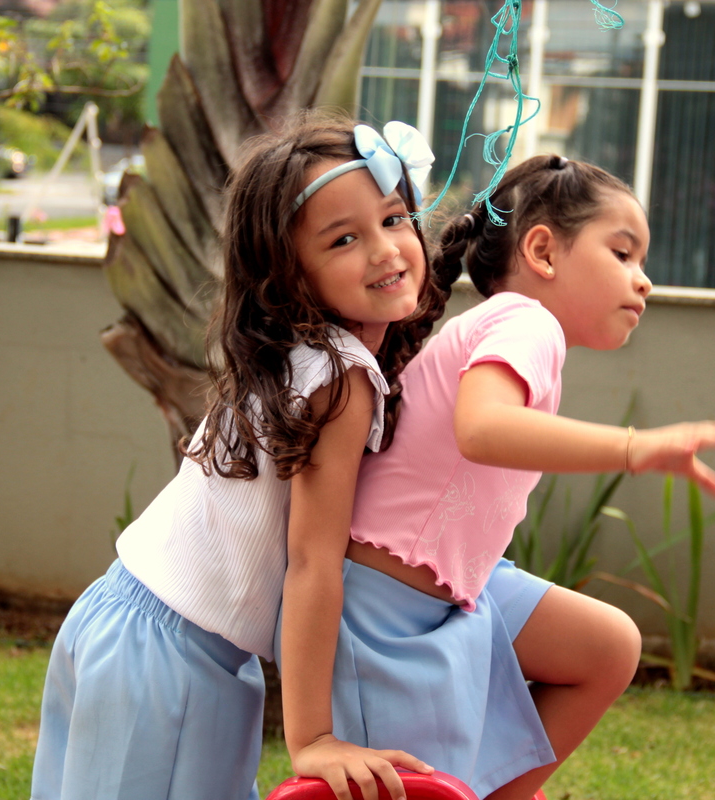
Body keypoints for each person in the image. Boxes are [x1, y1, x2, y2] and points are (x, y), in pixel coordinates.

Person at [299, 154, 715, 800]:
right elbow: (482, 430)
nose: (643, 281)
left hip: (462, 590)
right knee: (412, 786)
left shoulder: (512, 328)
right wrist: (636, 448)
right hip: (391, 611)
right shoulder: (525, 321)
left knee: (606, 647)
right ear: (542, 250)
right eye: (623, 254)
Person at [29, 114, 441, 800]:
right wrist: (311, 737)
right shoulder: (340, 376)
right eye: (343, 238)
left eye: (394, 219)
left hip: (119, 619)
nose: (384, 250)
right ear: (290, 272)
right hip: (175, 656)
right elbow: (314, 560)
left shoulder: (296, 355)